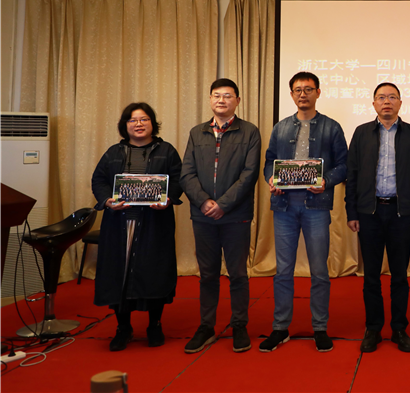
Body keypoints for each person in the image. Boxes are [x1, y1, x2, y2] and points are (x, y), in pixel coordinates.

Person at [260, 72, 348, 353]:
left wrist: (326, 181)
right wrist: (272, 179)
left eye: (308, 89)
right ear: (291, 94)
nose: (303, 94)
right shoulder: (281, 127)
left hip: (316, 206)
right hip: (284, 206)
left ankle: (320, 328)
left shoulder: (331, 127)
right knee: (283, 271)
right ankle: (280, 327)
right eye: (297, 90)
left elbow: (344, 165)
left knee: (319, 271)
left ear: (318, 93)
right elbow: (269, 161)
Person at [345, 82, 410, 353]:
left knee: (399, 276)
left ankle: (399, 328)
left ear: (400, 103)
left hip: (400, 213)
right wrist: (351, 211)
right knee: (370, 275)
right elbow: (352, 176)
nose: (387, 102)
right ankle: (373, 328)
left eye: (392, 97)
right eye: (381, 97)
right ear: (373, 103)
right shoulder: (361, 133)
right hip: (368, 213)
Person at [91, 103, 183, 351]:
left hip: (154, 223)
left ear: (153, 123)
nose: (139, 124)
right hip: (119, 223)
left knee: (155, 272)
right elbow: (98, 180)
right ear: (125, 125)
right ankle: (123, 328)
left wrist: (169, 199)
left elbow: (178, 180)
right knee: (118, 274)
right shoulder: (113, 152)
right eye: (133, 120)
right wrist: (107, 200)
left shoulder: (167, 151)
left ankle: (155, 325)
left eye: (144, 119)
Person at [180, 78, 261, 354]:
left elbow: (249, 174)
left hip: (236, 216)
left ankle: (239, 324)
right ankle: (206, 326)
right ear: (210, 100)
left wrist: (223, 204)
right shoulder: (197, 133)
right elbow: (187, 173)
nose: (221, 100)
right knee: (207, 275)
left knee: (237, 273)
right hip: (203, 216)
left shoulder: (249, 131)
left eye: (227, 96)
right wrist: (204, 202)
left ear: (237, 100)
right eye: (216, 95)